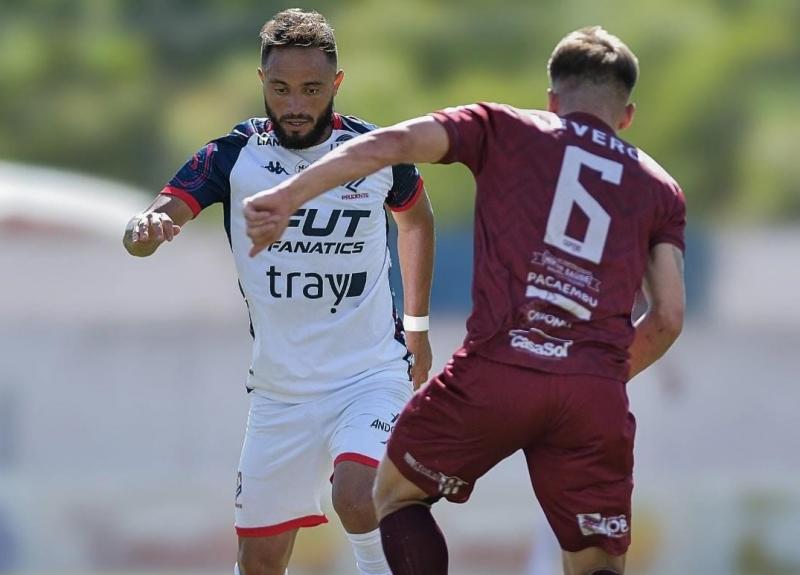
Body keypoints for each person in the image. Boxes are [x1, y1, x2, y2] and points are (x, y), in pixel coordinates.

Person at [243, 25, 686, 575]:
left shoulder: (504, 127)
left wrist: (290, 195)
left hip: (499, 368)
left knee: (396, 493)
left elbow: (392, 145)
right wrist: (598, 376)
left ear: (552, 99)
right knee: (596, 560)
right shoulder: (660, 186)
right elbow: (666, 317)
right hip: (592, 390)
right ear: (627, 116)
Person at [122, 9, 434, 575]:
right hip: (280, 392)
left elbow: (416, 219)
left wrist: (417, 327)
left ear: (335, 85)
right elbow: (150, 225)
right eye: (282, 88)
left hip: (370, 374)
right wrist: (142, 230)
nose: (295, 104)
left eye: (311, 89)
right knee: (260, 562)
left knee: (358, 494)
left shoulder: (375, 152)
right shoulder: (231, 157)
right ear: (262, 81)